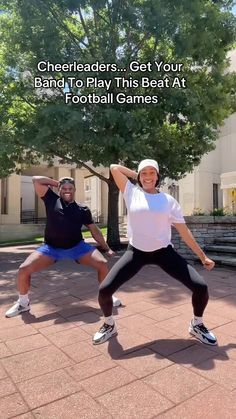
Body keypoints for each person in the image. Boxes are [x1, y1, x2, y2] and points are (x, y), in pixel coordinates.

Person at [93, 159, 217, 346]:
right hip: (136, 252)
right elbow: (114, 168)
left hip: (163, 253)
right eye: (145, 173)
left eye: (152, 173)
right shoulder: (131, 192)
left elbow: (185, 232)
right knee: (104, 290)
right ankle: (109, 324)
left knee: (201, 287)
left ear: (158, 176)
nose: (148, 177)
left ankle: (197, 324)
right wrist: (137, 176)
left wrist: (202, 256)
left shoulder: (168, 201)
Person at [5, 176, 121, 317]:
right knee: (24, 269)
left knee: (102, 263)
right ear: (59, 189)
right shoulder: (51, 199)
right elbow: (36, 180)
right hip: (51, 249)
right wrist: (57, 182)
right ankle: (23, 303)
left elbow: (94, 230)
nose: (67, 191)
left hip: (77, 247)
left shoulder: (82, 209)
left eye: (70, 188)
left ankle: (106, 296)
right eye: (64, 188)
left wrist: (106, 248)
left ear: (75, 190)